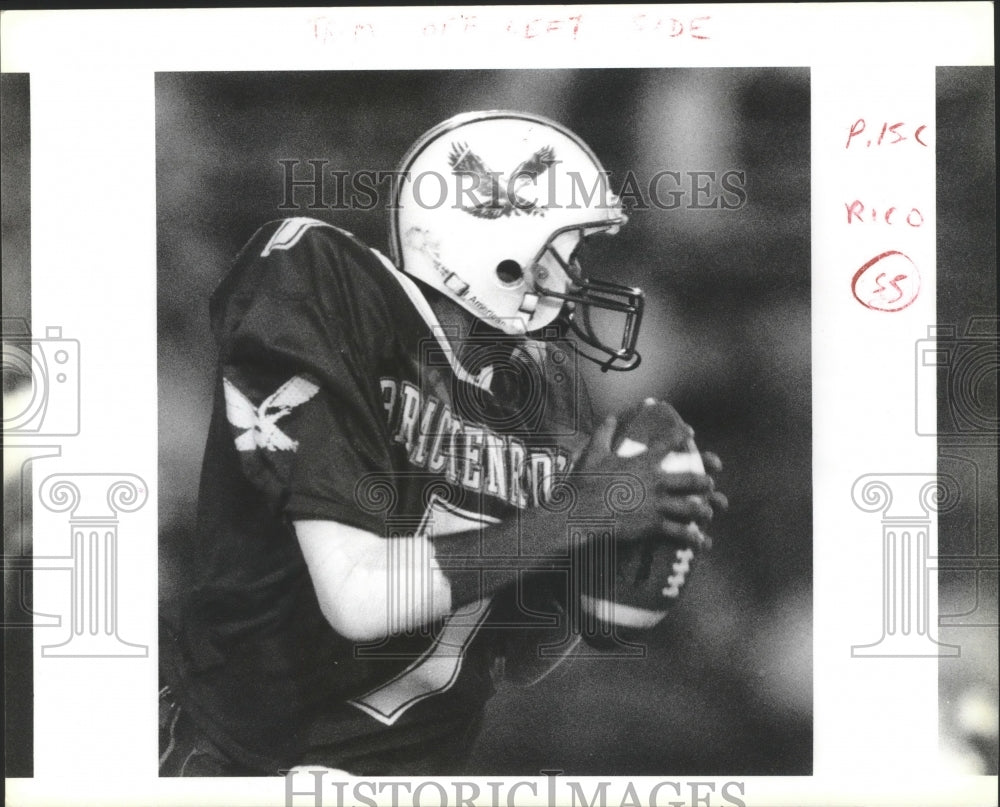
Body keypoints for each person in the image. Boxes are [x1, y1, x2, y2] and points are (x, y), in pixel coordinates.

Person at [159, 110, 726, 776]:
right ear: (496, 242)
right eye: (566, 251)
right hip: (250, 765)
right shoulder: (327, 291)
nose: (575, 279)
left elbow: (518, 660)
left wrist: (599, 552)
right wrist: (580, 513)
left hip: (412, 773)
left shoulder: (542, 389)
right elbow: (357, 596)